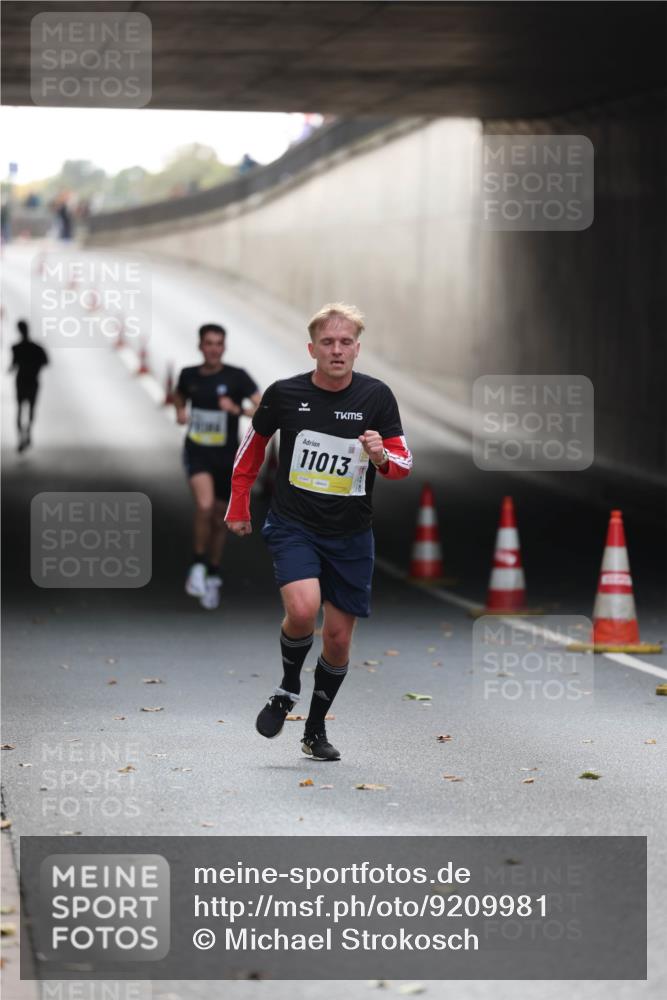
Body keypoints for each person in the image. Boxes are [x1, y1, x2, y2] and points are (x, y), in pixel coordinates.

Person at [226, 303, 412, 760]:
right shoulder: (284, 395)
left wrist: (381, 456)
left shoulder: (376, 397)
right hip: (295, 526)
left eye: (345, 342)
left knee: (338, 640)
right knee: (304, 609)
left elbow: (403, 464)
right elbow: (252, 450)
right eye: (327, 342)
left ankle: (313, 730)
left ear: (357, 349)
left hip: (351, 535)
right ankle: (289, 683)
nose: (336, 350)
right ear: (312, 348)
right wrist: (238, 503)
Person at [174, 323, 261, 610]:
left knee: (219, 521)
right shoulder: (189, 375)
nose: (213, 348)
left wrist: (237, 410)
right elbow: (179, 395)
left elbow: (263, 408)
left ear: (224, 347)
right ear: (200, 346)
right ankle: (197, 566)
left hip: (226, 457)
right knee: (204, 505)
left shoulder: (237, 377)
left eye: (218, 343)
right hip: (197, 452)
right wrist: (180, 412)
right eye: (208, 343)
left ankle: (213, 571)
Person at [9, 320, 49, 452]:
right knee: (31, 408)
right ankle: (28, 432)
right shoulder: (37, 348)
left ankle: (21, 437)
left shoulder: (16, 347)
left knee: (20, 408)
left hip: (21, 381)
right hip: (33, 380)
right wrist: (34, 367)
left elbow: (12, 366)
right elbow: (46, 362)